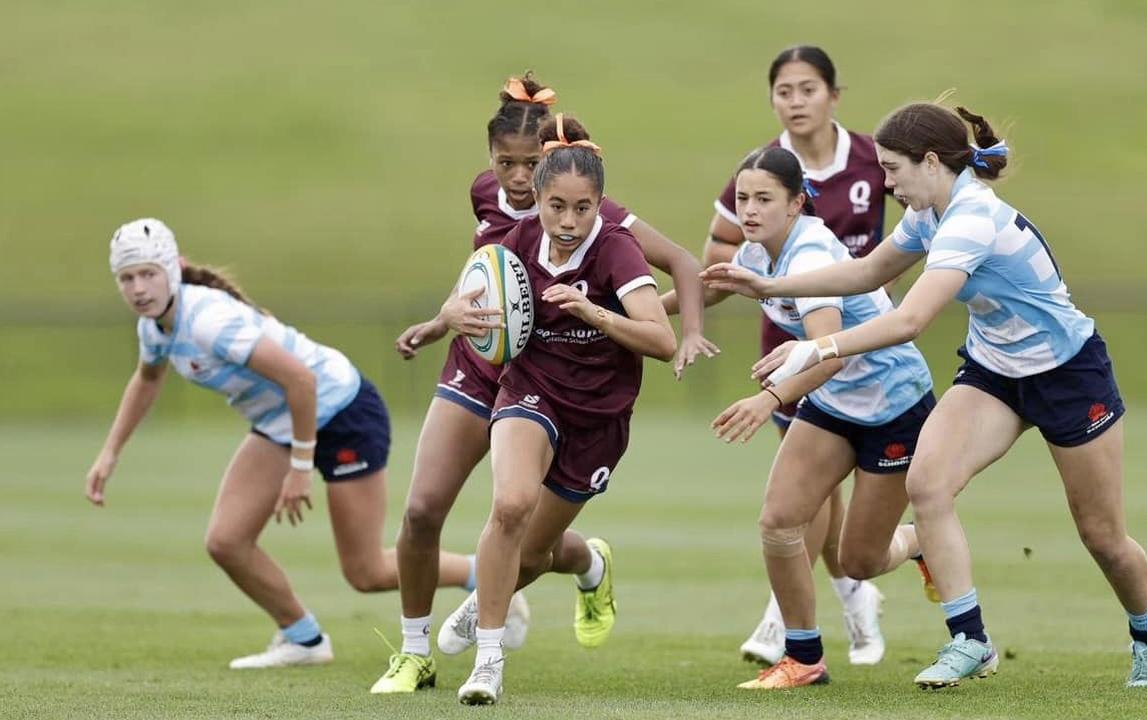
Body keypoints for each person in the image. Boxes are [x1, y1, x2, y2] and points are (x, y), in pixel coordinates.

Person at [704, 102, 1147, 689]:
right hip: (995, 372)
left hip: (1069, 374)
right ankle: (969, 640)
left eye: (894, 169)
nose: (887, 182)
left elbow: (910, 320)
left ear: (930, 162)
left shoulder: (970, 217)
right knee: (928, 484)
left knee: (1102, 537)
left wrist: (815, 349)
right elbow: (867, 272)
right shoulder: (930, 211)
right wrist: (772, 284)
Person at [370, 76, 713, 694]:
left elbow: (676, 271)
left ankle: (582, 562)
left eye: (532, 165)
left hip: (575, 384)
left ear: (555, 162)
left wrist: (677, 329)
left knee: (531, 543)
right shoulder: (491, 200)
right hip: (492, 368)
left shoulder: (596, 217)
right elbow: (481, 277)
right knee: (426, 510)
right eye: (508, 163)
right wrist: (440, 322)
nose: (521, 178)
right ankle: (415, 653)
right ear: (490, 161)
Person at [88, 218, 408, 669]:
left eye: (148, 274)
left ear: (173, 269)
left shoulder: (208, 322)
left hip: (343, 409)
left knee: (367, 571)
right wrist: (109, 453)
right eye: (127, 278)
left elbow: (301, 380)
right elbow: (147, 380)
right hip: (282, 422)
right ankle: (304, 639)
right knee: (226, 541)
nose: (139, 288)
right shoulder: (154, 327)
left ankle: (481, 576)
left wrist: (300, 469)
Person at [698, 45, 926, 666]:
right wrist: (614, 312)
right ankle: (800, 648)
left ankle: (911, 549)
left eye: (807, 88)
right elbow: (709, 277)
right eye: (784, 90)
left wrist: (769, 394)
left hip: (876, 384)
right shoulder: (757, 202)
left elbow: (830, 346)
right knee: (786, 517)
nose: (749, 209)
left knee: (857, 553)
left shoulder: (822, 232)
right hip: (804, 372)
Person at [438, 113, 676, 705]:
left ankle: (576, 568)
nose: (569, 222)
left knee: (537, 552)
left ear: (600, 204)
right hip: (532, 390)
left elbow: (661, 340)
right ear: (538, 201)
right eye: (556, 207)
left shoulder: (617, 252)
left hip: (599, 419)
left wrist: (591, 311)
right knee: (510, 505)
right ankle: (489, 662)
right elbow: (467, 294)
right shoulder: (514, 244)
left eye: (583, 208)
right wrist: (453, 316)